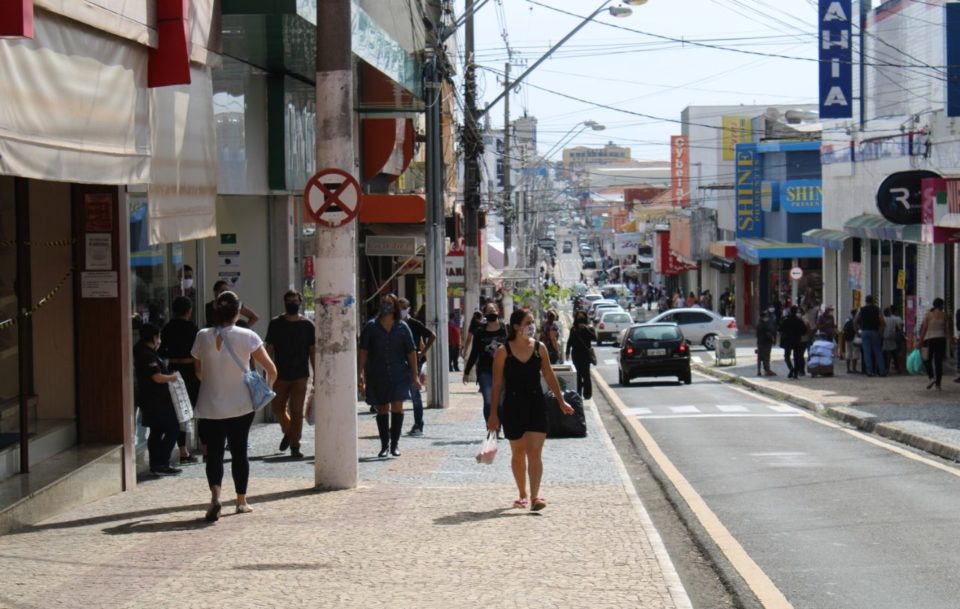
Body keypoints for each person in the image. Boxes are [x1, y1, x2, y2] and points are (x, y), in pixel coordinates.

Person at [192, 291, 278, 521]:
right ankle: (241, 501)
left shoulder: (202, 336)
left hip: (209, 404)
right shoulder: (247, 335)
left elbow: (198, 372)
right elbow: (272, 370)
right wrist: (264, 391)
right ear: (238, 312)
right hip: (241, 405)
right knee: (239, 451)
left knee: (214, 454)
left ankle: (215, 496)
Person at [487, 309, 574, 512]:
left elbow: (550, 376)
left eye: (533, 322)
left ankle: (535, 496)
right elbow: (497, 384)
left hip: (536, 403)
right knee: (518, 453)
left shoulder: (539, 348)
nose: (532, 326)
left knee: (535, 452)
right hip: (513, 406)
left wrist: (561, 401)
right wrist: (493, 414)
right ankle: (522, 494)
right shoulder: (503, 352)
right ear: (516, 326)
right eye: (528, 322)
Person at [358, 294, 421, 457]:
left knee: (398, 406)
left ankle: (395, 444)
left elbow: (411, 352)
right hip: (377, 375)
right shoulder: (371, 327)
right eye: (383, 303)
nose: (386, 305)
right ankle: (384, 444)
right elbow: (363, 352)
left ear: (395, 307)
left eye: (389, 303)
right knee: (382, 408)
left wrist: (415, 376)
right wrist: (360, 374)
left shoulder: (402, 327)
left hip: (399, 374)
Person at [265, 290, 316, 458]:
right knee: (277, 408)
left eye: (295, 300)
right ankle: (289, 431)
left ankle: (295, 445)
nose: (292, 302)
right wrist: (266, 371)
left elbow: (313, 351)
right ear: (284, 302)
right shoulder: (275, 323)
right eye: (289, 300)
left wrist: (317, 375)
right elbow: (269, 349)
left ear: (300, 302)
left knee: (297, 411)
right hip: (279, 374)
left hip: (301, 375)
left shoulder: (308, 325)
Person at [134, 323, 182, 475]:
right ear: (154, 337)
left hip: (152, 399)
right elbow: (157, 377)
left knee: (156, 431)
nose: (160, 340)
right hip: (156, 400)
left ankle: (157, 464)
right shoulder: (147, 354)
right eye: (158, 337)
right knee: (173, 428)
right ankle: (161, 462)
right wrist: (172, 377)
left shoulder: (144, 351)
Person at [159, 296, 200, 463]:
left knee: (179, 410)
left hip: (173, 371)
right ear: (189, 311)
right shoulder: (193, 328)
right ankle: (204, 447)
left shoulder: (167, 328)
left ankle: (183, 449)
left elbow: (161, 351)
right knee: (195, 409)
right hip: (191, 371)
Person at [463, 302, 508, 424]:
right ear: (485, 314)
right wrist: (466, 372)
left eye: (494, 310)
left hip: (503, 371)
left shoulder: (505, 329)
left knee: (500, 401)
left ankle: (499, 426)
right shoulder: (480, 332)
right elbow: (474, 353)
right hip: (485, 370)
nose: (492, 312)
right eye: (489, 310)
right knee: (488, 400)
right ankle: (490, 426)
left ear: (498, 312)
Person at [398, 298, 436, 436]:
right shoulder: (395, 323)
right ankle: (396, 426)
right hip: (399, 361)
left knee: (414, 392)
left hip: (414, 361)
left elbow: (432, 336)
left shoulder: (414, 323)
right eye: (399, 307)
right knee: (397, 394)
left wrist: (423, 352)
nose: (401, 310)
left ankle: (418, 424)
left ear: (408, 309)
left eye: (403, 307)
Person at [918, 297, 951, 391]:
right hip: (941, 340)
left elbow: (924, 329)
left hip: (929, 340)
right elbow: (947, 330)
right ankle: (938, 384)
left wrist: (920, 341)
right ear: (941, 305)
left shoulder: (928, 315)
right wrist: (951, 341)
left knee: (926, 359)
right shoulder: (944, 315)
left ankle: (931, 378)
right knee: (938, 362)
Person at [565, 310, 597, 398]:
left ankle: (587, 394)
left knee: (586, 375)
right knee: (578, 375)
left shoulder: (589, 328)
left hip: (586, 355)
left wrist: (585, 329)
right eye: (579, 319)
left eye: (582, 319)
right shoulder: (573, 329)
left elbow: (594, 338)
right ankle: (578, 393)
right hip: (576, 355)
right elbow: (569, 341)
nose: (580, 323)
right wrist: (567, 352)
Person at [855, 294, 886, 377]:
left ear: (865, 301)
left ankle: (869, 371)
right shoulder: (877, 310)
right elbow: (882, 322)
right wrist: (881, 332)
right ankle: (882, 370)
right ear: (873, 301)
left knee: (867, 352)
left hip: (865, 331)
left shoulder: (861, 310)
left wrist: (857, 331)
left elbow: (855, 320)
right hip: (875, 331)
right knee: (878, 351)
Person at [779, 305, 807, 379]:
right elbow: (804, 331)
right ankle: (795, 373)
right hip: (797, 341)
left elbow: (780, 329)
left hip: (787, 341)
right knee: (797, 357)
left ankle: (791, 368)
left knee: (786, 356)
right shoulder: (799, 321)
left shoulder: (786, 320)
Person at [881, 306, 903, 374]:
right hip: (892, 338)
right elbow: (898, 328)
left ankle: (886, 368)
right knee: (895, 353)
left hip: (885, 338)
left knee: (886, 354)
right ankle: (898, 367)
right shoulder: (894, 319)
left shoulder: (883, 319)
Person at [756, 308, 777, 377]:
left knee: (759, 357)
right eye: (766, 316)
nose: (767, 317)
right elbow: (768, 333)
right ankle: (767, 370)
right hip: (766, 343)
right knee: (766, 357)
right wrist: (772, 339)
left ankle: (759, 371)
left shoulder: (758, 324)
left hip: (760, 342)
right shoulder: (765, 324)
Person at [842, 309, 860, 374]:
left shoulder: (848, 320)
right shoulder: (856, 321)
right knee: (855, 353)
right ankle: (854, 369)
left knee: (848, 353)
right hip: (854, 338)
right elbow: (857, 329)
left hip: (847, 338)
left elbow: (844, 329)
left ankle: (848, 369)